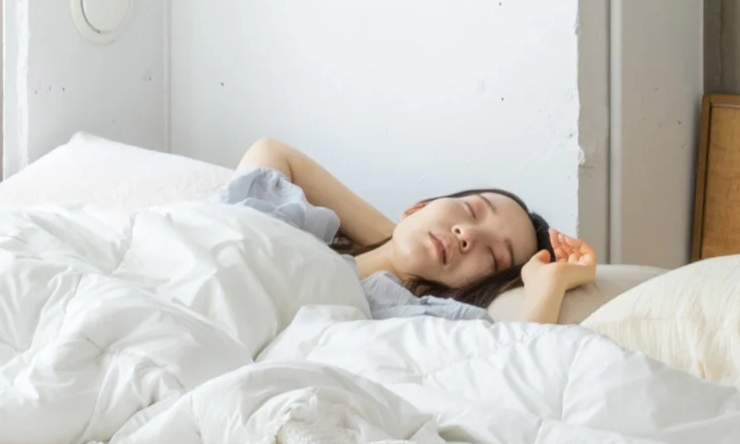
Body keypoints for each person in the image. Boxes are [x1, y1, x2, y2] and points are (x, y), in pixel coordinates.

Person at [220, 137, 597, 325]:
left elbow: (517, 364)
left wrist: (549, 285)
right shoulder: (297, 227)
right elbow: (271, 151)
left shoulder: (420, 319)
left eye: (493, 255)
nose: (467, 235)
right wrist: (397, 233)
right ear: (419, 206)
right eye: (471, 210)